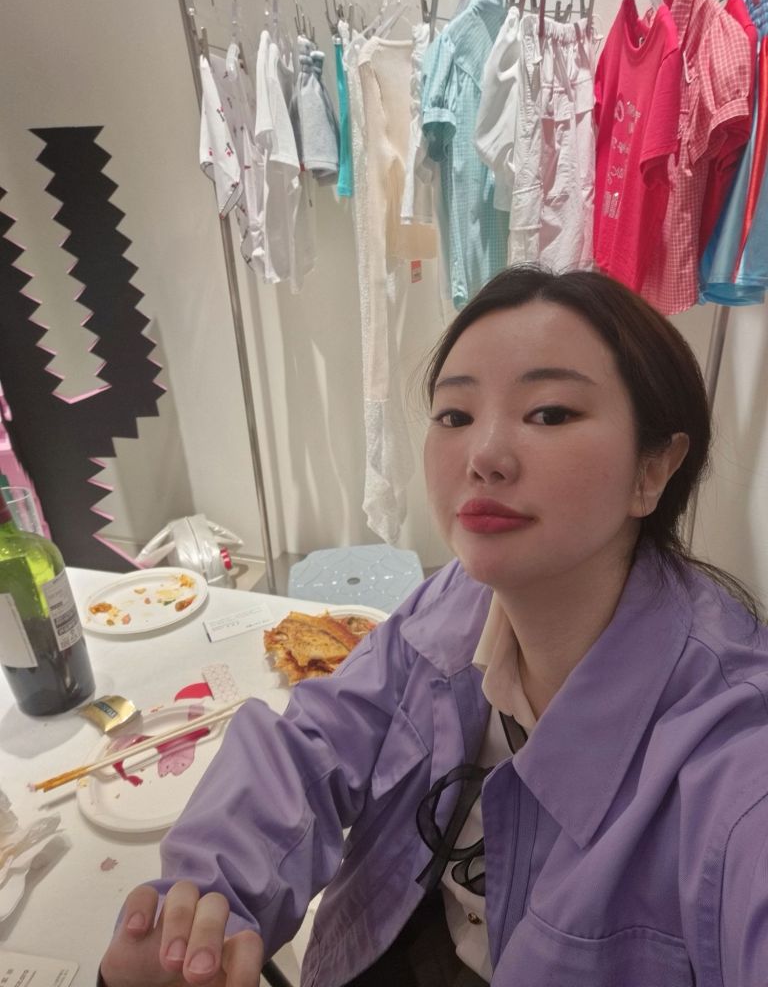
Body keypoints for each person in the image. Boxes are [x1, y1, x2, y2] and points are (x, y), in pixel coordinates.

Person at [100, 266, 768, 987]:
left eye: (549, 413)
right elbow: (312, 744)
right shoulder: (457, 597)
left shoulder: (730, 747)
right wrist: (209, 903)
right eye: (455, 415)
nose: (483, 457)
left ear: (654, 469)